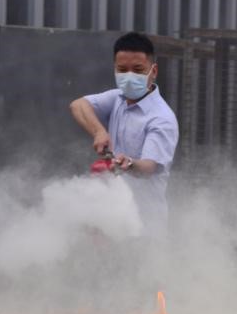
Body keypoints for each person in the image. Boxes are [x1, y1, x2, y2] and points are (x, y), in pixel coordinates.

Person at [69, 32, 179, 238]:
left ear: (153, 71)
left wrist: (129, 164)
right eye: (122, 70)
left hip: (144, 227)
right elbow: (78, 105)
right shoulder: (118, 98)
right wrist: (99, 131)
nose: (129, 76)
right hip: (112, 217)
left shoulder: (161, 118)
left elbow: (149, 166)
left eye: (138, 70)